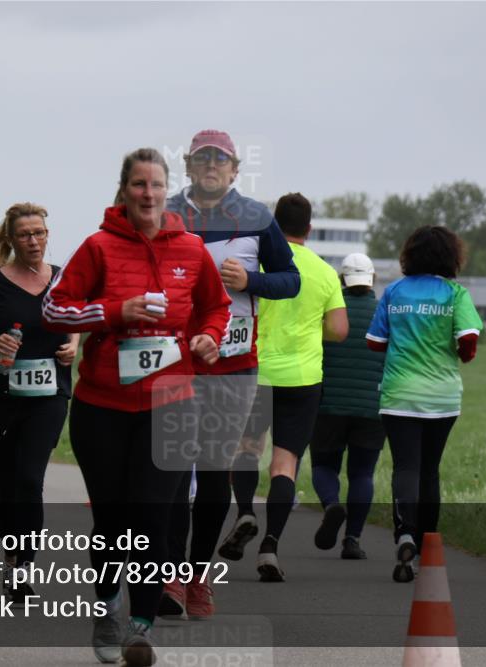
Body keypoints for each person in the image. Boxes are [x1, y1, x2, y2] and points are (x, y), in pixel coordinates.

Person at [42, 148, 231, 666]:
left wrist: (210, 337)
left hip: (172, 401)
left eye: (156, 185)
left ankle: (140, 626)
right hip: (102, 405)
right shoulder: (98, 247)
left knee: (153, 517)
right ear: (124, 190)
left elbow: (217, 307)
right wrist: (112, 311)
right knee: (111, 520)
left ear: (167, 190)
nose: (148, 194)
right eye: (139, 184)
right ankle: (107, 607)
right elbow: (54, 309)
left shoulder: (191, 249)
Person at [164, 129, 301, 619]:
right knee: (175, 470)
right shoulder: (167, 214)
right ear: (188, 166)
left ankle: (198, 576)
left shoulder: (257, 219)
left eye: (219, 160)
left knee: (214, 473)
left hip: (234, 368)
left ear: (235, 169)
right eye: (201, 159)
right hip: (176, 363)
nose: (210, 167)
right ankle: (170, 577)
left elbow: (291, 280)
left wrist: (253, 280)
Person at [226, 193, 347, 581]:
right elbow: (339, 330)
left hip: (256, 373)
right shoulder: (326, 273)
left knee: (246, 450)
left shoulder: (260, 263)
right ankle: (271, 547)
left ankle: (245, 510)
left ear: (274, 225)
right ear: (310, 229)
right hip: (303, 378)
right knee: (285, 464)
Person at [365, 225, 482, 583]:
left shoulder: (394, 291)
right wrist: (456, 351)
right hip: (442, 397)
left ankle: (404, 536)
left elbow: (374, 341)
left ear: (409, 255)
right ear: (452, 257)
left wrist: (405, 342)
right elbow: (469, 341)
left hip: (399, 394)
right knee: (430, 471)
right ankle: (426, 546)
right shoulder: (455, 294)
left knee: (406, 468)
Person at [0, 205, 76, 580]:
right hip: (1, 393)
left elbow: (75, 318)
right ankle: (11, 557)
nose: (34, 240)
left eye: (40, 233)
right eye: (26, 234)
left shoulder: (63, 279)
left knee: (31, 479)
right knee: (10, 481)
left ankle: (25, 565)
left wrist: (74, 343)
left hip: (49, 394)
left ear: (47, 234)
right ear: (12, 240)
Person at [310, 253, 386, 560]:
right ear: (372, 280)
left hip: (328, 404)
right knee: (363, 474)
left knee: (323, 466)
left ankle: (331, 504)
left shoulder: (329, 311)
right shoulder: (384, 312)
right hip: (372, 406)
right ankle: (352, 540)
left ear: (342, 279)